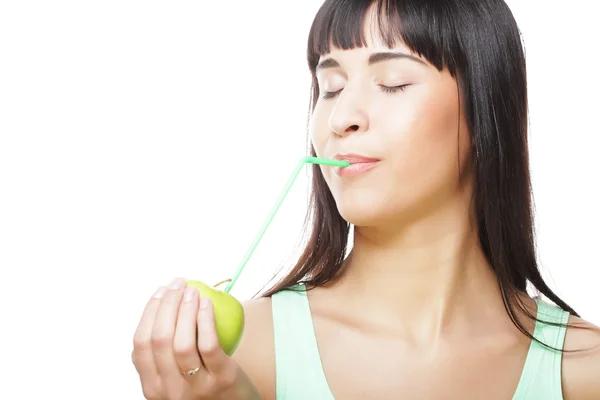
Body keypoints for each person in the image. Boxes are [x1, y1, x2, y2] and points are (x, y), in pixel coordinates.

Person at [131, 0, 600, 398]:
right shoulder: (227, 358)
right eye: (330, 87)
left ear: (484, 109)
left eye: (393, 81)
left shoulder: (586, 371)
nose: (341, 118)